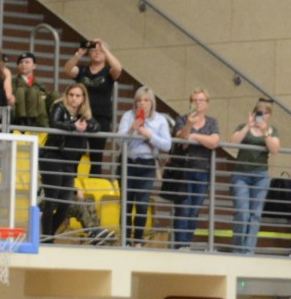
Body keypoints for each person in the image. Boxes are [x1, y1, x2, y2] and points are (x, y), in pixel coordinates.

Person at [39, 83, 95, 240]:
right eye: (71, 95)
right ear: (66, 96)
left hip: (69, 162)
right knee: (52, 200)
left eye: (78, 96)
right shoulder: (59, 107)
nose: (74, 99)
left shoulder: (83, 114)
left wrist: (85, 127)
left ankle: (49, 235)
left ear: (83, 98)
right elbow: (54, 123)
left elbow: (96, 126)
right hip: (53, 157)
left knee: (65, 204)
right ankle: (47, 237)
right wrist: (73, 126)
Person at [116, 86, 171, 246]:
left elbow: (167, 145)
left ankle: (138, 239)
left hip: (147, 165)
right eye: (139, 100)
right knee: (126, 203)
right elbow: (119, 140)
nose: (142, 103)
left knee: (142, 204)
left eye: (146, 100)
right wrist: (132, 130)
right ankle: (125, 240)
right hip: (128, 163)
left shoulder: (160, 120)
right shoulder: (128, 116)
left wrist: (150, 135)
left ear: (152, 103)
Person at [169, 90, 222, 250]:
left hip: (202, 171)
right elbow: (181, 139)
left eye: (201, 100)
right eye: (195, 100)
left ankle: (188, 243)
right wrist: (189, 126)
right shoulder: (182, 119)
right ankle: (181, 246)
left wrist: (195, 137)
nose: (198, 103)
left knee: (194, 211)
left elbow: (214, 142)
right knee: (183, 209)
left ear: (207, 103)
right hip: (183, 170)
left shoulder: (212, 122)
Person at [228, 99, 279, 254]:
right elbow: (232, 142)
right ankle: (238, 248)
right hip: (241, 174)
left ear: (269, 115)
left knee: (255, 214)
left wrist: (265, 133)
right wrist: (248, 126)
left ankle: (248, 250)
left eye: (264, 113)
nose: (261, 116)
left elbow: (275, 149)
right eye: (258, 112)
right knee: (242, 211)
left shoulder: (271, 130)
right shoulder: (243, 127)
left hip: (261, 175)